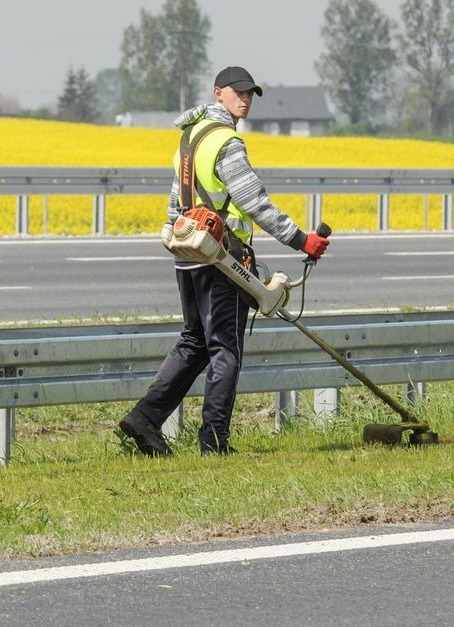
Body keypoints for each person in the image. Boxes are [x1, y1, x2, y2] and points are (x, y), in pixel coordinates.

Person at [118, 66, 330, 457]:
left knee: (194, 341)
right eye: (238, 93)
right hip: (222, 258)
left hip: (188, 252)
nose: (245, 99)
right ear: (219, 94)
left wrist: (174, 237)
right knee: (225, 349)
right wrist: (302, 240)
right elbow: (253, 201)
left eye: (250, 94)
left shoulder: (190, 139)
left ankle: (145, 418)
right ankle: (214, 441)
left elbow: (175, 201)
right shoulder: (227, 141)